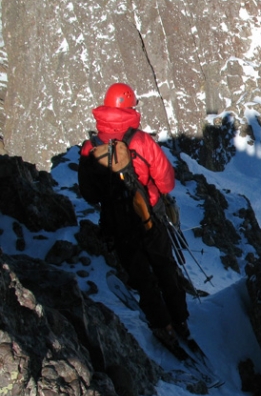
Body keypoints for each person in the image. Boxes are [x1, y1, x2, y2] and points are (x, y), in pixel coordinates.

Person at [78, 82, 189, 349]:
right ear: (129, 108)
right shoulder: (140, 141)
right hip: (148, 216)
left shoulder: (89, 147)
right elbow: (167, 182)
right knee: (165, 268)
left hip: (117, 222)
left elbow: (89, 194)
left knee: (141, 276)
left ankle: (161, 326)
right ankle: (180, 322)